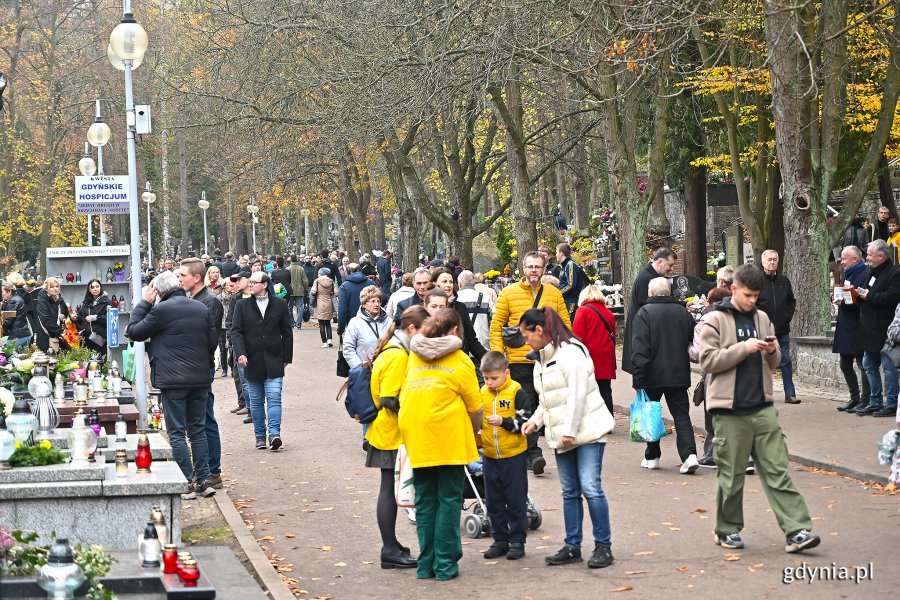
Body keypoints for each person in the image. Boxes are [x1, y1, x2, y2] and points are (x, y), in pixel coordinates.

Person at [699, 263, 821, 554]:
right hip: (729, 411)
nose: (752, 300)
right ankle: (727, 529)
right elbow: (708, 362)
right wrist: (745, 348)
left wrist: (771, 350)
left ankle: (797, 531)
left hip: (762, 407)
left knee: (778, 470)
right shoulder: (716, 319)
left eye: (756, 295)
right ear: (733, 289)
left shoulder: (763, 318)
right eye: (748, 295)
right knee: (732, 475)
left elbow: (775, 362)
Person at [519, 307, 615, 569]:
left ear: (539, 330)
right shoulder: (543, 356)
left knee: (590, 488)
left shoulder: (571, 352)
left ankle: (603, 546)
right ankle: (573, 545)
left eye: (527, 336)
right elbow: (549, 398)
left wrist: (570, 430)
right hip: (565, 433)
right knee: (570, 491)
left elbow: (577, 394)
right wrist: (534, 421)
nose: (525, 342)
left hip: (585, 431)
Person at [397, 308, 482, 581]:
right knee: (448, 499)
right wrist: (476, 431)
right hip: (449, 436)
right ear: (456, 330)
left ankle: (426, 564)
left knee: (424, 501)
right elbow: (474, 405)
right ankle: (445, 564)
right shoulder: (460, 360)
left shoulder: (414, 355)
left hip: (417, 433)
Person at [126, 270, 217, 499]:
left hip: (173, 380)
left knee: (176, 431)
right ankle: (204, 480)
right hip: (199, 378)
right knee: (197, 430)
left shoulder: (159, 310)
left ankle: (186, 482)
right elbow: (212, 342)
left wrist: (144, 304)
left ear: (158, 291)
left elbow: (134, 331)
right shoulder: (201, 308)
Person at [490, 251, 570, 475]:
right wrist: (498, 356)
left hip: (547, 359)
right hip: (518, 360)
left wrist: (565, 351)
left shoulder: (554, 293)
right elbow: (496, 327)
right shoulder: (508, 293)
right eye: (530, 267)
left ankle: (560, 449)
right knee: (528, 406)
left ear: (544, 269)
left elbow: (565, 324)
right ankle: (533, 453)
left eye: (538, 267)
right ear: (523, 269)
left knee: (549, 403)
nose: (534, 270)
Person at [366, 305, 429, 570]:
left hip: (387, 430)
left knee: (388, 489)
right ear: (411, 329)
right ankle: (389, 549)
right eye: (424, 333)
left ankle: (391, 545)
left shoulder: (394, 348)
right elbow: (390, 398)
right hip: (390, 431)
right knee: (388, 490)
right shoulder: (398, 356)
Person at [630, 277, 699, 473]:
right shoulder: (682, 313)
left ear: (651, 293)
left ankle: (652, 456)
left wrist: (638, 378)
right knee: (682, 417)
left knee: (651, 415)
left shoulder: (644, 313)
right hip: (677, 373)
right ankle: (690, 455)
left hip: (652, 375)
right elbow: (690, 338)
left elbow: (640, 349)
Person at [231, 272, 293, 450]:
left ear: (265, 285)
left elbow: (287, 332)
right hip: (251, 360)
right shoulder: (242, 305)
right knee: (256, 401)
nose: (250, 285)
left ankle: (274, 434)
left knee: (274, 397)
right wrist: (240, 353)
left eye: (253, 282)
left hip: (274, 358)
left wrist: (286, 358)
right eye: (249, 282)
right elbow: (236, 332)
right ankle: (259, 435)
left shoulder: (280, 304)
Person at [479, 351, 531, 561]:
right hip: (490, 455)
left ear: (506, 373)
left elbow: (525, 422)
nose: (490, 383)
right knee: (493, 500)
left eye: (494, 378)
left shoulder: (517, 391)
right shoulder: (482, 393)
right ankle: (499, 538)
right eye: (486, 378)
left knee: (515, 499)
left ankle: (517, 540)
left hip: (513, 456)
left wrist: (504, 422)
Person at [179, 258, 225, 489]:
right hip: (191, 368)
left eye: (182, 276)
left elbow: (210, 340)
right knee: (196, 420)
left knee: (205, 418)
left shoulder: (210, 302)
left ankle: (213, 470)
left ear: (196, 278)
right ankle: (205, 467)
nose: (179, 280)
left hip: (201, 367)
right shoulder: (191, 300)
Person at [688, 286, 734, 469]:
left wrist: (688, 346)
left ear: (710, 301)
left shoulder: (705, 321)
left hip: (714, 372)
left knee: (713, 414)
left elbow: (698, 353)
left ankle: (712, 454)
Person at [854, 239, 900, 417]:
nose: (867, 258)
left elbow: (892, 297)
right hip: (869, 328)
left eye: (870, 255)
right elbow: (865, 290)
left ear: (881, 256)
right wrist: (856, 294)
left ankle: (891, 404)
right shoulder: (872, 272)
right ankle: (875, 401)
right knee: (868, 364)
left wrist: (869, 296)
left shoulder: (895, 273)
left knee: (888, 368)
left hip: (885, 328)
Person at [622, 247, 675, 374]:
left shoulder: (650, 275)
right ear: (660, 261)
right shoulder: (646, 278)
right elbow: (650, 308)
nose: (671, 269)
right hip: (643, 337)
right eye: (670, 265)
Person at [755, 250, 798, 404]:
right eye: (769, 260)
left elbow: (791, 301)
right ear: (763, 262)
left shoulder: (784, 281)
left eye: (775, 260)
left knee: (785, 361)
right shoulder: (757, 281)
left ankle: (790, 394)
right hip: (763, 330)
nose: (772, 262)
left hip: (782, 328)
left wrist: (787, 316)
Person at [832, 246, 870, 413]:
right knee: (845, 364)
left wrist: (846, 303)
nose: (842, 262)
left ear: (855, 259)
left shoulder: (865, 274)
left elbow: (863, 301)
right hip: (845, 324)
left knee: (862, 364)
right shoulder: (848, 273)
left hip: (858, 324)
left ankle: (865, 399)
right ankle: (854, 398)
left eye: (845, 258)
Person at [571, 284, 616, 415]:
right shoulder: (608, 312)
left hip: (589, 356)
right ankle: (608, 417)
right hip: (606, 355)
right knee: (605, 389)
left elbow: (577, 336)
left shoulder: (582, 311)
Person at [431, 267, 487, 365]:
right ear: (435, 283)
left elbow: (471, 340)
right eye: (444, 281)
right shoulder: (425, 308)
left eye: (451, 282)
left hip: (458, 363)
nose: (448, 285)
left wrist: (489, 360)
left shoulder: (460, 307)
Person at [342, 287, 392, 372]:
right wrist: (361, 366)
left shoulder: (389, 321)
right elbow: (348, 348)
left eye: (378, 301)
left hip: (387, 370)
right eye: (373, 301)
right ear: (364, 303)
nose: (377, 304)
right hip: (365, 372)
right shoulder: (355, 322)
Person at [226, 271, 253, 422]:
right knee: (243, 379)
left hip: (256, 345)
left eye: (238, 280)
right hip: (239, 345)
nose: (236, 284)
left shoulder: (258, 298)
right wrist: (232, 340)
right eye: (234, 282)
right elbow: (230, 321)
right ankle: (250, 409)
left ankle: (256, 408)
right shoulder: (235, 299)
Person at [456, 270, 493, 351]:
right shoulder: (486, 298)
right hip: (482, 347)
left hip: (461, 348)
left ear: (459, 283)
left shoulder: (455, 299)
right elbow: (493, 323)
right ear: (474, 283)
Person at [337, 263, 375, 338]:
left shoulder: (345, 286)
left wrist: (340, 329)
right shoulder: (370, 283)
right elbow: (383, 298)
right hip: (370, 320)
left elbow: (342, 310)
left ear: (347, 273)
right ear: (360, 270)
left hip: (353, 324)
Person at [73, 279, 110, 354]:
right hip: (88, 339)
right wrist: (76, 318)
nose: (95, 289)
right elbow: (81, 317)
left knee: (101, 361)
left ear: (100, 287)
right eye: (92, 287)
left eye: (97, 286)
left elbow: (111, 319)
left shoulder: (107, 302)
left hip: (101, 339)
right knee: (88, 362)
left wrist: (96, 318)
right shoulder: (87, 303)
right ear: (89, 290)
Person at [35, 277, 70, 353]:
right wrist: (60, 331)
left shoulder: (59, 299)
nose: (55, 289)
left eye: (57, 286)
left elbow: (66, 312)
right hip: (46, 338)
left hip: (59, 338)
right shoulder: (42, 301)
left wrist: (63, 316)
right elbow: (45, 320)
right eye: (52, 287)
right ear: (46, 289)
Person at [556, 243, 586, 318]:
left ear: (561, 254)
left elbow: (571, 285)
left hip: (571, 302)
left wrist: (557, 293)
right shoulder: (564, 266)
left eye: (556, 252)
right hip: (566, 300)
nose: (556, 255)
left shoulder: (570, 265)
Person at [1, 282, 31, 349]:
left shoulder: (12, 302)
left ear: (9, 292)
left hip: (15, 337)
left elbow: (7, 322)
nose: (1, 294)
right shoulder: (17, 299)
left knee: (8, 357)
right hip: (23, 335)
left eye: (2, 292)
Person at [311, 268, 336, 347]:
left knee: (321, 323)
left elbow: (313, 291)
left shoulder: (317, 281)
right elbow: (336, 292)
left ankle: (324, 342)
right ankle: (329, 340)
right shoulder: (331, 281)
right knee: (328, 323)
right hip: (328, 302)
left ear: (321, 273)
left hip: (319, 303)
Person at [288, 255, 309, 330]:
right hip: (300, 291)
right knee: (300, 308)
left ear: (291, 261)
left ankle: (292, 323)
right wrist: (305, 289)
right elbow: (305, 281)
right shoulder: (301, 269)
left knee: (289, 308)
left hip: (290, 291)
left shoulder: (288, 269)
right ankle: (299, 324)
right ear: (297, 261)